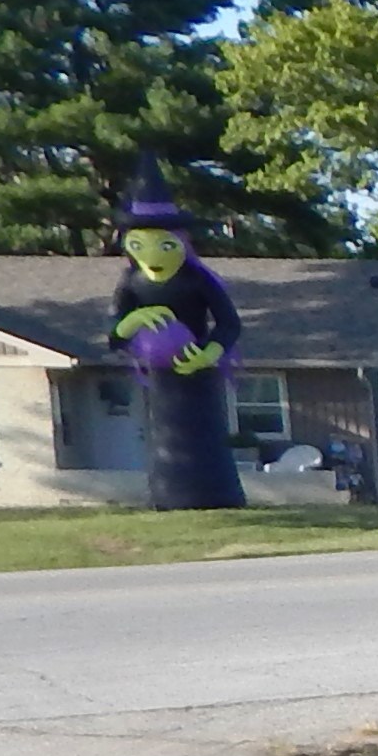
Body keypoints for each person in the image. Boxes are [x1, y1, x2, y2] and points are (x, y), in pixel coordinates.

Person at [107, 157, 246, 511]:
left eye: (165, 245)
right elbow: (114, 333)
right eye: (139, 245)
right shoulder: (131, 282)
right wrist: (137, 318)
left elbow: (229, 323)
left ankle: (216, 497)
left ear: (181, 242)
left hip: (197, 371)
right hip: (157, 375)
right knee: (165, 439)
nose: (152, 256)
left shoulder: (198, 280)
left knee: (206, 435)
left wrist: (208, 353)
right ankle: (168, 499)